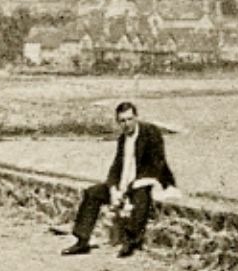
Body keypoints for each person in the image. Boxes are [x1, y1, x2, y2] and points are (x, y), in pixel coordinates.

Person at [61, 101, 177, 258]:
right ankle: (82, 239)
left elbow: (157, 164)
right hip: (125, 185)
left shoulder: (151, 133)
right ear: (118, 122)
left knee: (140, 197)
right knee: (92, 193)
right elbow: (116, 167)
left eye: (129, 119)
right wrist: (113, 188)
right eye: (122, 121)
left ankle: (131, 240)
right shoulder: (123, 139)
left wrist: (129, 188)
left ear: (136, 117)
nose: (127, 124)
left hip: (147, 181)